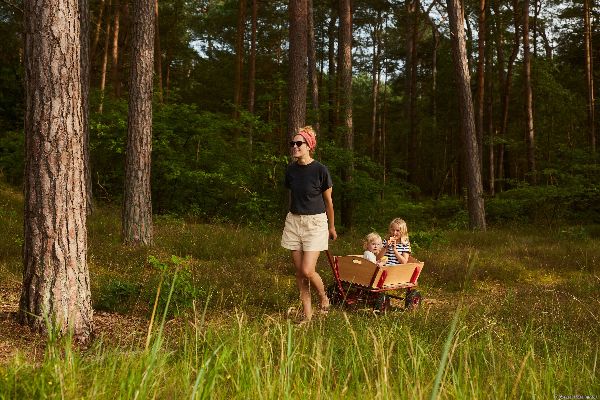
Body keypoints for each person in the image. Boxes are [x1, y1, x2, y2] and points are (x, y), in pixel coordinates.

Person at [280, 126, 337, 324]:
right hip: (294, 222)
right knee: (299, 274)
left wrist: (331, 227)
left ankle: (323, 296)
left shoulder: (320, 170)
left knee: (307, 270)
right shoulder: (290, 170)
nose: (294, 146)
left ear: (309, 146)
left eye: (299, 143)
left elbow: (329, 202)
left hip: (316, 223)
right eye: (293, 143)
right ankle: (307, 315)